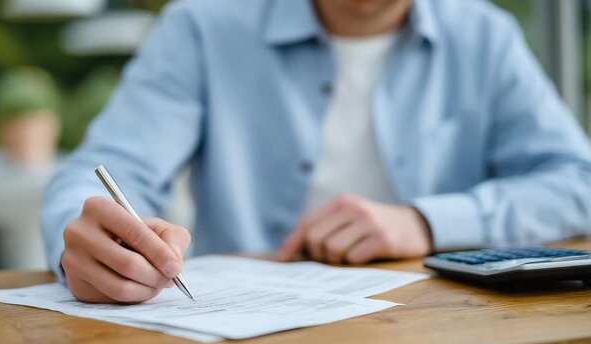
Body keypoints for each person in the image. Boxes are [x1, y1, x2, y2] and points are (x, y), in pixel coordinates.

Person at [42, 0, 591, 303]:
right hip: (238, 336)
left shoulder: (484, 35)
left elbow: (577, 180)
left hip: (440, 328)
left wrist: (425, 222)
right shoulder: (203, 24)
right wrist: (93, 241)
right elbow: (111, 168)